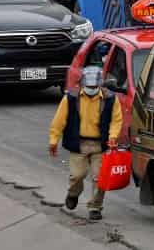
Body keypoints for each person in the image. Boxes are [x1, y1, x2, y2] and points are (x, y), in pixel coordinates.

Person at [49, 66, 123, 221]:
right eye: (88, 86)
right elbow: (59, 120)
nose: (91, 89)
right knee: (77, 175)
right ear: (82, 83)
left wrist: (113, 136)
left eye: (94, 86)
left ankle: (95, 207)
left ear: (100, 84)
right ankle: (73, 193)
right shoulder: (70, 98)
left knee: (99, 179)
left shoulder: (110, 98)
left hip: (100, 145)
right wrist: (53, 140)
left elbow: (116, 120)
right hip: (78, 144)